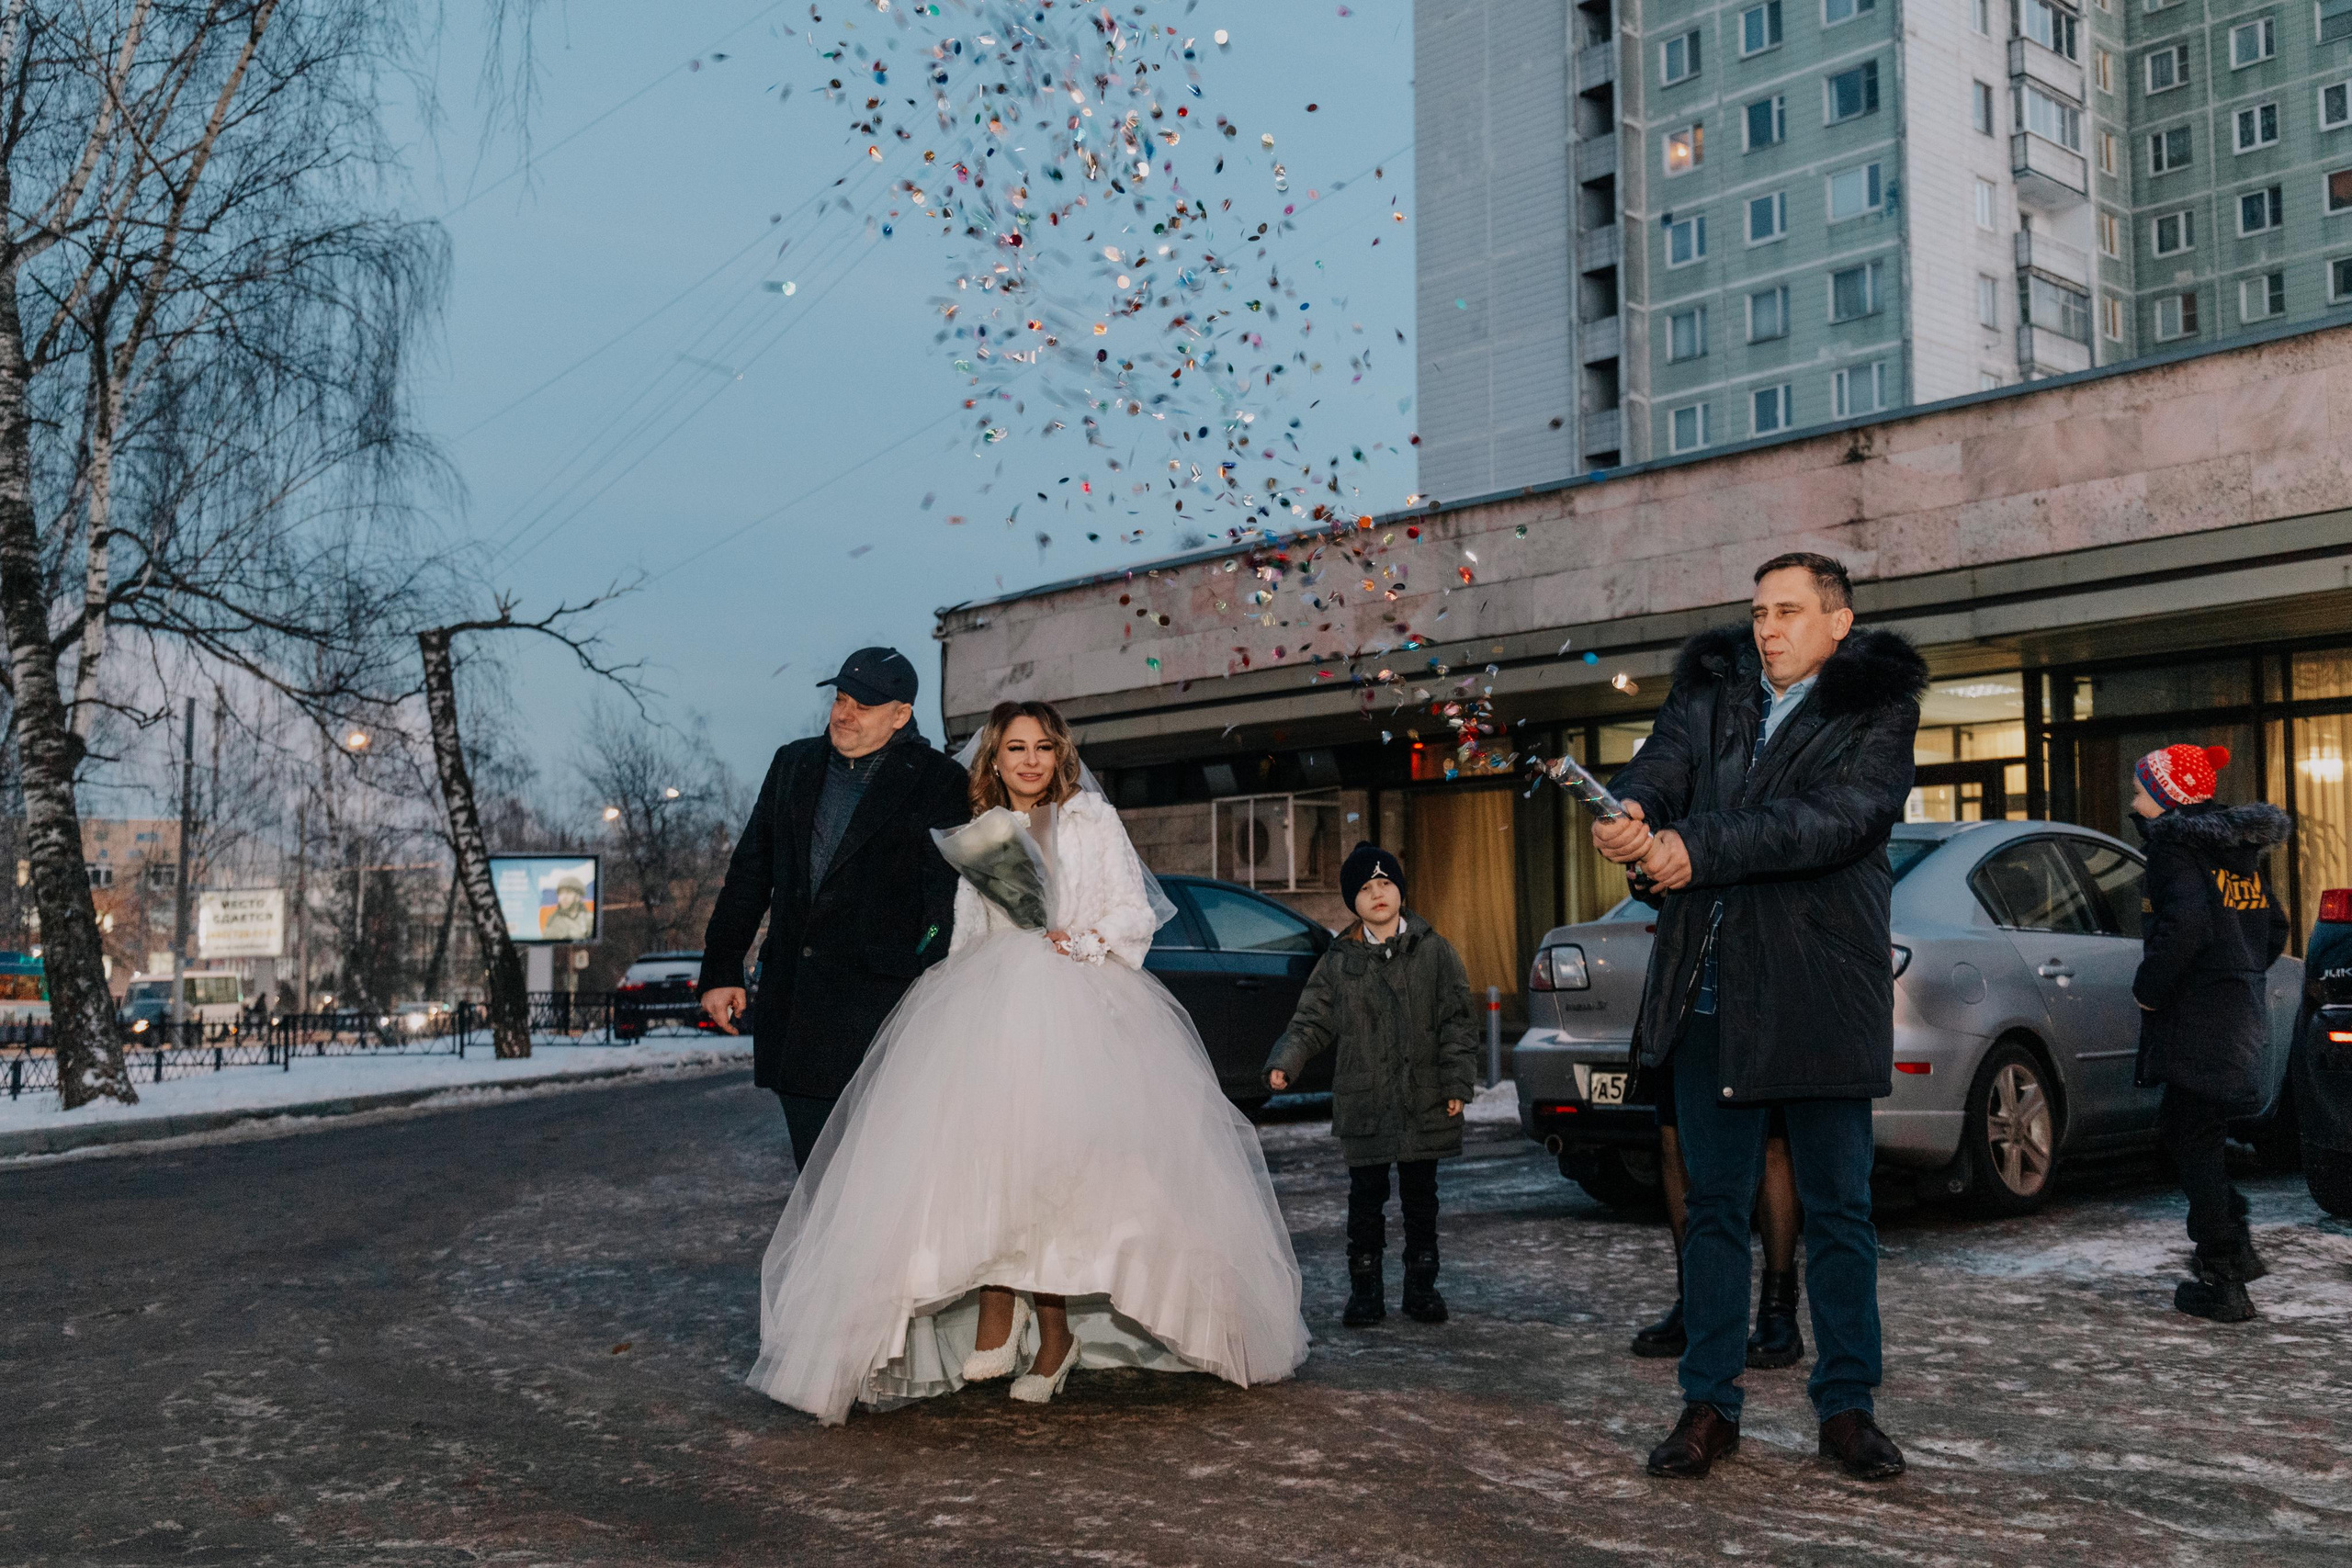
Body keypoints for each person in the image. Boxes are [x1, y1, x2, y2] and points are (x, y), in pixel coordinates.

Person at [742, 700, 1309, 1423]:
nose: (1031, 760)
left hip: (1085, 1008)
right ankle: (996, 1305)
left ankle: (1056, 1334)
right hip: (992, 1008)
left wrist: (1086, 939)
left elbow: (1135, 912)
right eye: (1016, 748)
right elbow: (971, 932)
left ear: (1060, 755)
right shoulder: (986, 834)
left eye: (1043, 746)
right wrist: (945, 1003)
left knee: (1066, 1175)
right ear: (995, 760)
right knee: (983, 1166)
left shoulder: (1091, 821)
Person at [1593, 552, 1924, 1483]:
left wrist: (1690, 843)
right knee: (1711, 1211)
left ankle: (1847, 1409)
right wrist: (1630, 813)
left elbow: (1833, 821)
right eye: (1756, 612)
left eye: (1785, 611)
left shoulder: (1876, 709)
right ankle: (1707, 1407)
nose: (1766, 629)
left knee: (1838, 1212)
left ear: (1838, 621)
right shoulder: (1713, 692)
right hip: (1708, 993)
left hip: (1820, 993)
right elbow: (1662, 764)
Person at [699, 648, 971, 1168]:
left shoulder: (939, 782)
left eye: (862, 706)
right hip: (795, 1013)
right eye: (841, 699)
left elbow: (946, 903)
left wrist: (918, 976)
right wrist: (720, 968)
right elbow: (749, 874)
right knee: (817, 1180)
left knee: (878, 1179)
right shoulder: (792, 765)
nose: (844, 714)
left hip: (883, 1019)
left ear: (900, 715)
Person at [1263, 844, 1479, 1327]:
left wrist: (1455, 1083)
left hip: (1424, 1096)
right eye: (1364, 888)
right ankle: (1365, 1292)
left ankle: (1422, 1287)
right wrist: (1286, 1061)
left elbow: (1458, 1024)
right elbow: (1310, 1021)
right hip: (1366, 1102)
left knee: (1422, 1200)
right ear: (1352, 903)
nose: (1377, 894)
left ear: (1400, 892)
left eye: (1385, 884)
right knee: (1366, 1201)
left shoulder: (1436, 952)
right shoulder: (1339, 962)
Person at [2126, 743, 2290, 1324]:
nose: (2133, 799)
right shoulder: (2233, 853)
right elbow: (2274, 926)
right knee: (2193, 1129)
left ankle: (2223, 1274)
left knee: (2190, 1136)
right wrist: (2239, 971)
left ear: (2168, 798)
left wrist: (2150, 986)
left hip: (2197, 1018)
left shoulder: (2175, 851)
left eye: (2143, 790)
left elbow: (2187, 924)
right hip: (2235, 1013)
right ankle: (2234, 1245)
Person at [541, 878, 594, 942]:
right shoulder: (554, 922)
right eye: (560, 893)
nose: (563, 898)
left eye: (568, 893)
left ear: (578, 896)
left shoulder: (590, 918)